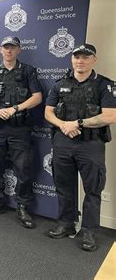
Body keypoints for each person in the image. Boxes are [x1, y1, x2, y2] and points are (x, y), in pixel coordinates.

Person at [44, 43, 116, 251]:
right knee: (64, 186)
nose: (80, 61)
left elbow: (111, 115)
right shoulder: (60, 84)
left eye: (85, 57)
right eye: (77, 57)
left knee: (93, 190)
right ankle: (66, 224)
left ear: (94, 59)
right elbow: (48, 113)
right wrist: (64, 125)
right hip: (63, 142)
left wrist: (79, 123)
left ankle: (88, 232)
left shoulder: (104, 85)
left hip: (91, 144)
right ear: (71, 59)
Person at [0, 36, 42, 229]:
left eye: (12, 48)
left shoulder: (28, 71)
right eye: (6, 47)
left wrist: (16, 108)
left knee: (23, 169)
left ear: (19, 50)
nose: (9, 51)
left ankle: (22, 206)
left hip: (19, 128)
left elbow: (37, 97)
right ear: (0, 49)